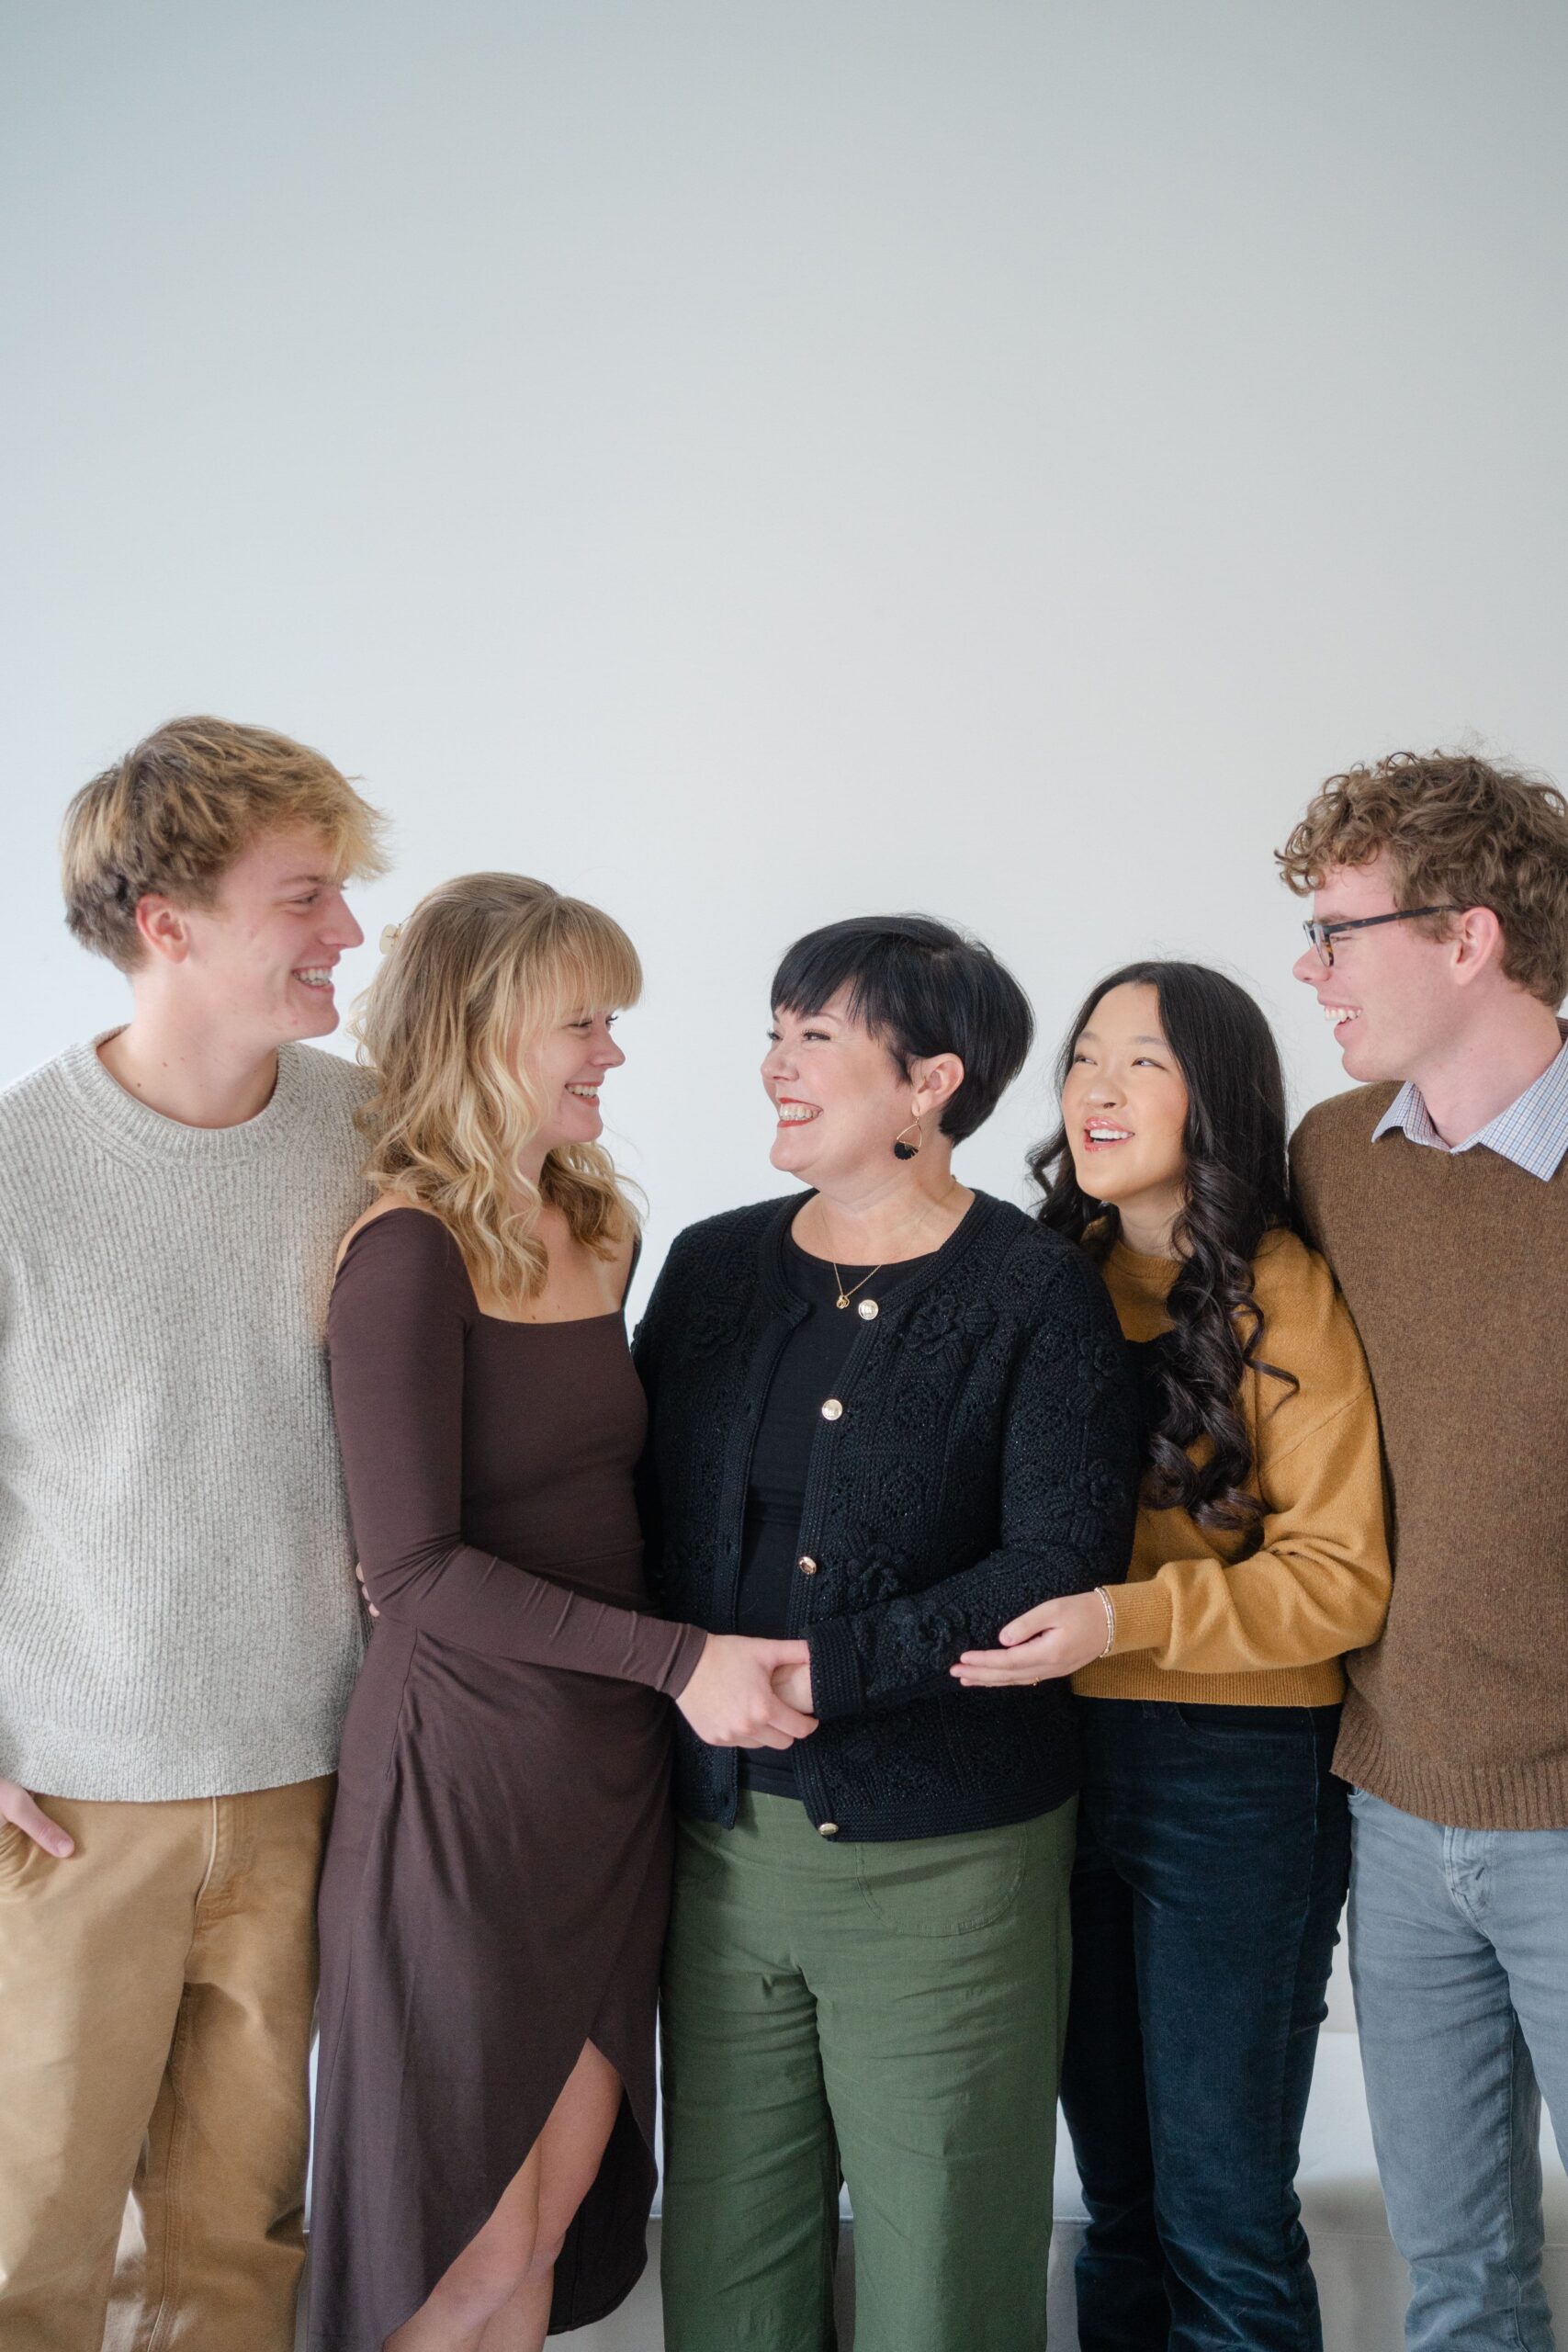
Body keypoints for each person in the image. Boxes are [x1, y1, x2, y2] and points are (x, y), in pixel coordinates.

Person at [309, 874, 807, 2352]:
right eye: (581, 1022)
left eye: (613, 1020)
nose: (612, 1051)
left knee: (548, 2220)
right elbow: (411, 1570)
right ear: (479, 1028)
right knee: (449, 2240)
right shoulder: (406, 1251)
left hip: (611, 1778)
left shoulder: (593, 1226)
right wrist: (683, 1661)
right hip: (465, 1785)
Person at [633, 912, 1142, 2352]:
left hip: (949, 1873)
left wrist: (825, 1669)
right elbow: (638, 1510)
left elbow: (1058, 1555)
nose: (774, 1066)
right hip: (722, 1861)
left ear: (932, 1081)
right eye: (775, 1031)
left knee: (945, 2285)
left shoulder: (1033, 1288)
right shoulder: (713, 1264)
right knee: (730, 2275)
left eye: (816, 1037)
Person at [0, 717, 387, 2351]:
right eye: (306, 898)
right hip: (71, 1807)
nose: (349, 935)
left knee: (242, 2250)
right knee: (31, 2243)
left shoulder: (370, 1135)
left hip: (312, 1777)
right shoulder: (17, 1174)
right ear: (167, 922)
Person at [954, 961, 1391, 2352]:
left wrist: (1121, 1622)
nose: (1099, 1088)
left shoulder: (1286, 1292)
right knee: (1120, 2200)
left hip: (1240, 1777)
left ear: (1217, 1094)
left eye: (1142, 1061)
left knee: (1222, 2210)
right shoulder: (1038, 1276)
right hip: (1056, 1765)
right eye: (1086, 1058)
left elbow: (1340, 1582)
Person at [1278, 749, 1568, 2352]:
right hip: (1394, 1814)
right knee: (1457, 2280)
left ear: (1469, 939)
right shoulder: (1335, 1161)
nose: (1309, 972)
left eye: (1338, 931)